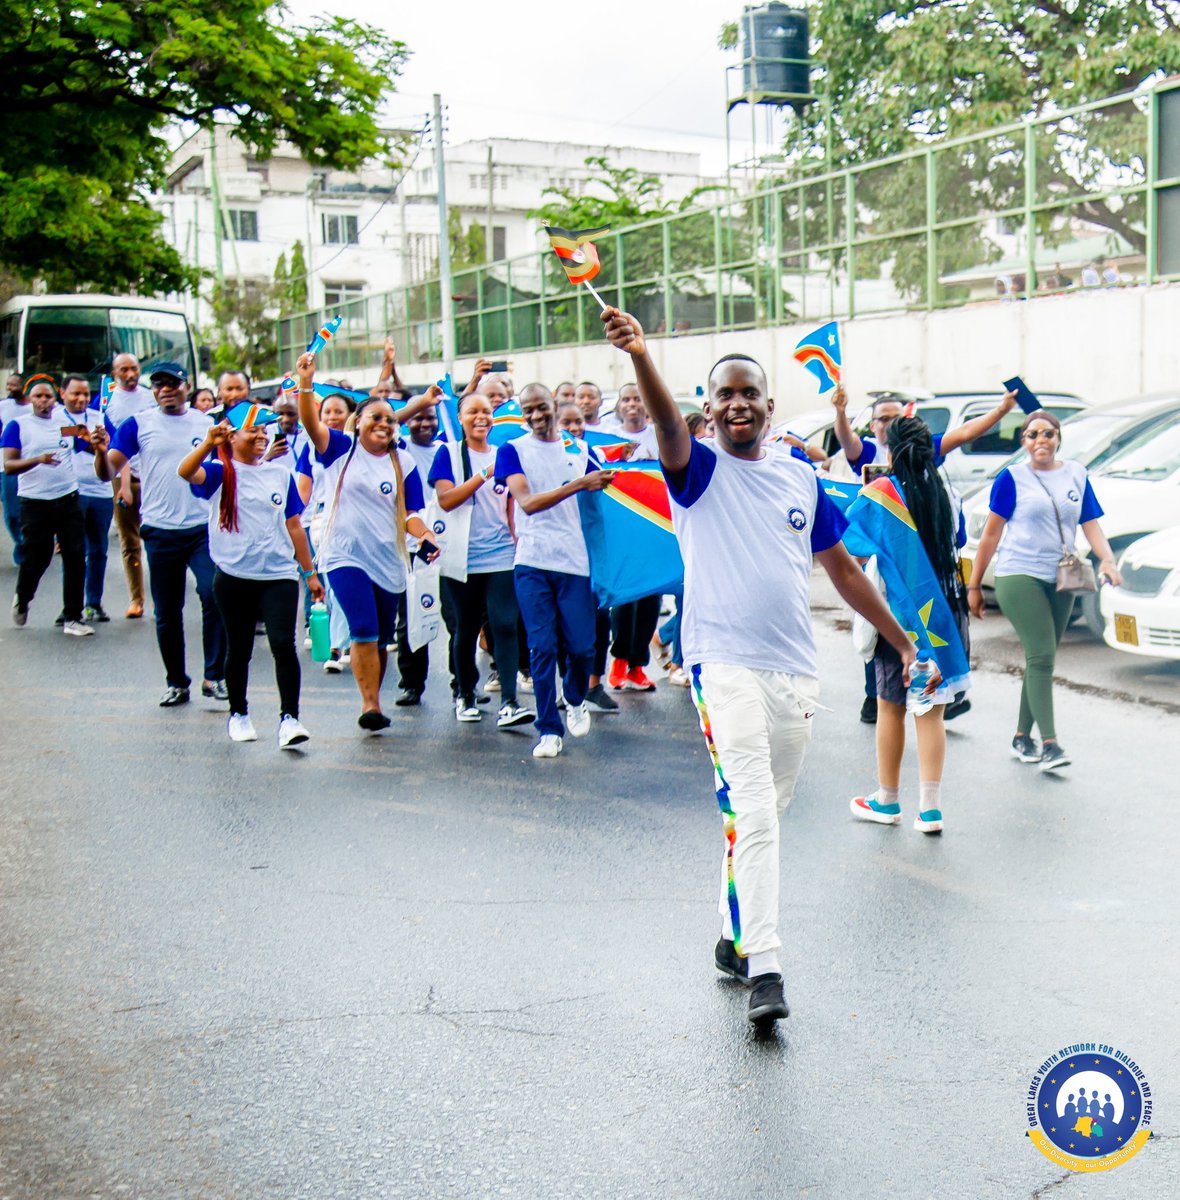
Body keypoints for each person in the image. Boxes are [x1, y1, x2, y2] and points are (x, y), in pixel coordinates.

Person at [602, 307, 918, 1025]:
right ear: (708, 410)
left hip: (794, 674)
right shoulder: (695, 469)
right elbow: (667, 427)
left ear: (769, 408)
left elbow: (841, 572)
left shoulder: (798, 480)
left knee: (762, 814)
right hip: (722, 664)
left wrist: (899, 640)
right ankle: (765, 964)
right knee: (753, 810)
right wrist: (642, 357)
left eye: (750, 393)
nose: (737, 403)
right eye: (724, 395)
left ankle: (730, 933)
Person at [967, 410, 1120, 771]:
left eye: (1048, 434)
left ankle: (1022, 737)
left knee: (1043, 658)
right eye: (1033, 435)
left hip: (1063, 577)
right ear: (1023, 441)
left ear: (1058, 438)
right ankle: (1050, 744)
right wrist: (974, 584)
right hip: (1018, 575)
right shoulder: (1012, 478)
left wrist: (1108, 561)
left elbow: (1090, 524)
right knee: (1040, 655)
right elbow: (991, 534)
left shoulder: (1076, 475)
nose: (1041, 441)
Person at [294, 352, 440, 731]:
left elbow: (410, 514)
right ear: (357, 422)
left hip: (388, 558)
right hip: (344, 554)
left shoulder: (402, 462)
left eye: (391, 420)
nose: (385, 424)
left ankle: (373, 697)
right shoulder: (340, 450)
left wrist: (425, 535)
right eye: (376, 417)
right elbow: (311, 423)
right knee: (364, 628)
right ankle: (370, 704)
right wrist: (307, 384)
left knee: (379, 637)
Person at [847, 416, 965, 834]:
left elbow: (850, 546)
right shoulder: (945, 494)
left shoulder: (879, 493)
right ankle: (930, 810)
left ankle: (887, 800)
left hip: (895, 619)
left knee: (890, 708)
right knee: (931, 710)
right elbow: (959, 541)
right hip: (940, 618)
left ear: (892, 451)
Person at [178, 414, 322, 748]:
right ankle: (239, 714)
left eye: (264, 431)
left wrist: (310, 573)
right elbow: (185, 472)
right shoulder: (219, 472)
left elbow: (294, 525)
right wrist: (208, 444)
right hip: (234, 576)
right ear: (230, 436)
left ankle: (290, 719)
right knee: (239, 648)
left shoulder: (279, 474)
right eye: (253, 430)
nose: (261, 436)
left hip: (279, 575)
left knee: (283, 645)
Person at [90, 362, 227, 706]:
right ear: (153, 391)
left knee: (214, 596)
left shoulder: (206, 423)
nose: (166, 389)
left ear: (187, 386)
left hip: (201, 527)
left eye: (173, 383)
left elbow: (231, 466)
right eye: (159, 385)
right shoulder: (139, 424)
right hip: (160, 530)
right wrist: (98, 451)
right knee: (167, 611)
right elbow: (108, 469)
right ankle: (177, 682)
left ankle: (214, 677)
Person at [494, 383, 617, 758]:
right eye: (527, 410)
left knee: (582, 648)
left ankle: (576, 698)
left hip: (574, 563)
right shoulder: (512, 450)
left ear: (553, 405)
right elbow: (528, 503)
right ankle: (548, 729)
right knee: (542, 647)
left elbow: (608, 492)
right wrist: (579, 483)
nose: (535, 416)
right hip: (532, 561)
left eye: (540, 408)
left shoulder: (579, 449)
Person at [429, 392, 535, 729]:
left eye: (486, 412)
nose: (481, 418)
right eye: (472, 412)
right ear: (460, 418)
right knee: (466, 628)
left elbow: (513, 500)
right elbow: (446, 500)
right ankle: (464, 693)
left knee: (504, 623)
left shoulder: (505, 453)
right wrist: (483, 475)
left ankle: (510, 701)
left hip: (501, 553)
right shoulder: (448, 454)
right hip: (461, 557)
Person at [2, 375, 92, 635]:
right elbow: (9, 466)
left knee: (76, 556)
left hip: (68, 497)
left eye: (48, 396)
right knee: (37, 557)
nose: (44, 401)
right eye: (38, 396)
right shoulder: (18, 426)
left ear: (56, 398)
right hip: (35, 501)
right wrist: (38, 459)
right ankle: (23, 596)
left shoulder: (64, 423)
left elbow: (84, 443)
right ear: (30, 399)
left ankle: (73, 616)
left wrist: (96, 440)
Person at [294, 392, 356, 670]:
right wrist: (290, 521)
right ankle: (336, 644)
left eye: (338, 411)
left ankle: (352, 639)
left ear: (351, 415)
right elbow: (303, 491)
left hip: (359, 519)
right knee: (331, 582)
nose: (332, 417)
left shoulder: (362, 445)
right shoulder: (311, 449)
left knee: (348, 581)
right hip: (322, 522)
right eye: (327, 412)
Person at [393, 402, 442, 705]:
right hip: (412, 544)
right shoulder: (399, 449)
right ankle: (412, 683)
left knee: (456, 617)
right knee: (411, 617)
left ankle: (463, 686)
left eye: (431, 417)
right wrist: (421, 402)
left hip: (446, 542)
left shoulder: (447, 450)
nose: (425, 423)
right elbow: (386, 422)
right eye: (418, 418)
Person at [105, 352, 157, 618]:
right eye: (123, 370)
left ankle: (162, 595)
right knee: (130, 540)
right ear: (115, 374)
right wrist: (124, 484)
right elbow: (117, 447)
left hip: (155, 475)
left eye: (133, 368)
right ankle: (137, 598)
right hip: (125, 476)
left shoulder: (151, 397)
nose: (129, 374)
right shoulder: (109, 404)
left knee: (159, 535)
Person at [60, 373, 114, 623]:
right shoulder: (57, 417)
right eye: (75, 393)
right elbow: (68, 437)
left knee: (99, 550)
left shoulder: (100, 418)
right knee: (74, 551)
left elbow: (114, 444)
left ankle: (93, 603)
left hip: (101, 492)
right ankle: (71, 607)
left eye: (85, 394)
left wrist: (98, 440)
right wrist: (86, 436)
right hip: (73, 492)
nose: (81, 398)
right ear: (63, 394)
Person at [0, 373, 30, 563]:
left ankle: (31, 545)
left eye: (14, 385)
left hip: (35, 466)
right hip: (7, 468)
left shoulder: (39, 406)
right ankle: (22, 544)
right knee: (11, 512)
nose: (10, 388)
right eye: (8, 385)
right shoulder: (3, 406)